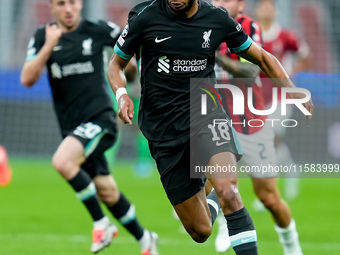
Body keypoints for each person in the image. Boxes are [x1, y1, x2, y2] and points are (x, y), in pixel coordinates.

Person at [107, 0, 313, 255]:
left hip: (207, 114)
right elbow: (115, 64)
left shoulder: (216, 19)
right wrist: (122, 95)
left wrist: (292, 90)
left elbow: (261, 57)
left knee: (230, 191)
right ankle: (215, 198)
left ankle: (224, 195)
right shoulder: (144, 17)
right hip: (163, 130)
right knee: (200, 230)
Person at [20, 0, 158, 254]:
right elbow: (27, 78)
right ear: (52, 7)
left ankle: (101, 223)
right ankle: (145, 238)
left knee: (62, 161)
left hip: (100, 119)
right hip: (72, 129)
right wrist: (49, 46)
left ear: (80, 4)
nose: (68, 9)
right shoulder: (42, 36)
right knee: (107, 191)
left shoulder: (98, 29)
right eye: (61, 4)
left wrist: (130, 68)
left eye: (72, 2)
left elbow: (129, 55)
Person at [211, 0, 304, 254]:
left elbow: (250, 70)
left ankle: (291, 244)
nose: (218, 3)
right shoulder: (201, 28)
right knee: (214, 182)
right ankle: (222, 223)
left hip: (250, 123)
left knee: (269, 198)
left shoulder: (248, 27)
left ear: (240, 5)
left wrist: (216, 57)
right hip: (214, 120)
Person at [256, 0, 312, 201]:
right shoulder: (252, 35)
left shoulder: (286, 36)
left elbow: (306, 57)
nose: (267, 10)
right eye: (263, 7)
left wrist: (291, 72)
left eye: (270, 7)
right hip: (257, 96)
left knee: (271, 140)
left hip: (281, 96)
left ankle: (270, 190)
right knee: (264, 143)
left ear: (275, 11)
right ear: (258, 10)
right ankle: (291, 171)